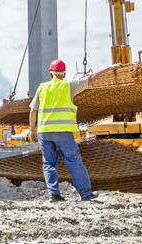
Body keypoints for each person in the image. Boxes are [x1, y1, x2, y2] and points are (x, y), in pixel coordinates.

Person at [28, 59, 98, 202]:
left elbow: (32, 111)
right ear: (64, 74)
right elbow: (92, 79)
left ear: (50, 74)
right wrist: (111, 68)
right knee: (73, 161)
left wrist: (32, 131)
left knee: (48, 164)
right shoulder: (69, 85)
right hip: (63, 133)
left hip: (44, 132)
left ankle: (54, 195)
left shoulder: (42, 88)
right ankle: (85, 194)